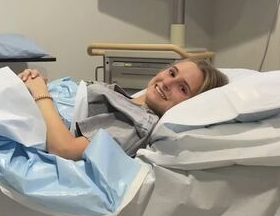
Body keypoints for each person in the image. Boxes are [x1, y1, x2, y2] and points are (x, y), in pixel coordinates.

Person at [19, 59, 229, 160]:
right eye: (172, 73)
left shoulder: (137, 124)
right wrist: (37, 85)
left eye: (182, 88)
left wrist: (40, 93)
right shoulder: (128, 101)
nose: (167, 83)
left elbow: (65, 149)